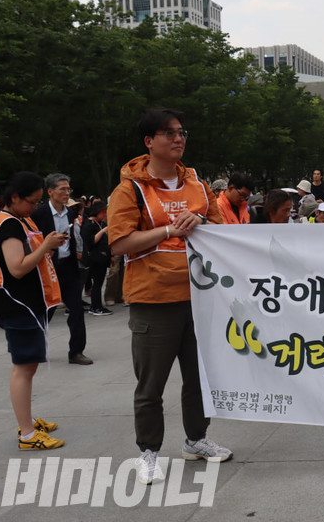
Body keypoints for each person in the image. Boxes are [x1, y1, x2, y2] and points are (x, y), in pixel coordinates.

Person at [108, 107, 231, 486]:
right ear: (149, 142)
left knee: (198, 379)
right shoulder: (130, 189)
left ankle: (196, 440)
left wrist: (203, 222)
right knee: (151, 385)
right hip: (154, 300)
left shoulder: (196, 183)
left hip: (200, 296)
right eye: (168, 133)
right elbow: (119, 243)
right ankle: (148, 452)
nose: (178, 139)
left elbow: (221, 228)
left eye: (181, 132)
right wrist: (167, 231)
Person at [0, 172, 68, 450]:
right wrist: (46, 246)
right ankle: (27, 434)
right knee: (23, 367)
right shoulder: (9, 225)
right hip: (17, 305)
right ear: (15, 198)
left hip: (28, 305)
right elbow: (17, 268)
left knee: (28, 366)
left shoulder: (20, 219)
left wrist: (48, 245)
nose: (35, 207)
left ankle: (28, 421)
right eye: (32, 202)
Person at [30, 173, 91, 365]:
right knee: (45, 310)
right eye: (62, 189)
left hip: (69, 267)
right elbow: (30, 240)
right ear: (50, 192)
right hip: (48, 269)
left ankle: (76, 352)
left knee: (77, 310)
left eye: (68, 189)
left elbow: (76, 239)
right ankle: (35, 349)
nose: (67, 193)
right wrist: (48, 247)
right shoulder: (38, 215)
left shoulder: (71, 214)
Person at [80, 200, 112, 316]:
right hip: (94, 258)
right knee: (97, 283)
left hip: (103, 257)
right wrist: (103, 231)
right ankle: (96, 307)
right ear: (97, 212)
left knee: (99, 282)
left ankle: (97, 305)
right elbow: (90, 241)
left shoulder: (100, 224)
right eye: (103, 212)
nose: (105, 215)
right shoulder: (88, 224)